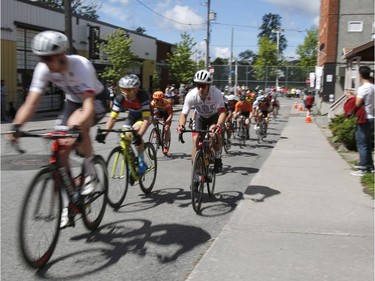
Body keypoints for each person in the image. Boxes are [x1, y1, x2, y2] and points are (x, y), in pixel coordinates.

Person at [7, 30, 107, 228]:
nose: (45, 62)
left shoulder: (80, 65)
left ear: (62, 54)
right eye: (40, 58)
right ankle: (67, 203)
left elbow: (87, 105)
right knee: (60, 151)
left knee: (77, 127)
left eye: (48, 57)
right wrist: (17, 126)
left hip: (95, 100)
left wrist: (76, 128)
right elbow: (31, 103)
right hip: (71, 101)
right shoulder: (43, 68)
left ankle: (91, 175)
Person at [96, 74, 151, 174]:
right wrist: (104, 134)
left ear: (136, 89)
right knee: (125, 137)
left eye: (128, 90)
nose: (125, 93)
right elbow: (112, 118)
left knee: (134, 132)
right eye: (123, 89)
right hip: (132, 115)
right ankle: (132, 162)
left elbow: (146, 119)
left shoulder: (143, 96)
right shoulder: (119, 98)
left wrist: (139, 135)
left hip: (143, 116)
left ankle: (142, 162)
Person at [176, 69, 227, 179]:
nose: (200, 88)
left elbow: (222, 112)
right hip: (200, 117)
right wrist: (181, 125)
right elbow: (184, 114)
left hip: (214, 117)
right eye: (198, 85)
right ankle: (195, 175)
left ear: (208, 85)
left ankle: (217, 158)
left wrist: (219, 125)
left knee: (214, 134)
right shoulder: (191, 95)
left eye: (203, 86)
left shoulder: (216, 94)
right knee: (196, 141)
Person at [351, 66, 374, 176]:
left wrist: (352, 98)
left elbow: (357, 103)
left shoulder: (363, 88)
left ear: (360, 75)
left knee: (361, 143)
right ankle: (369, 165)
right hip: (371, 116)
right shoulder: (373, 87)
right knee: (367, 143)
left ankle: (363, 168)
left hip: (364, 118)